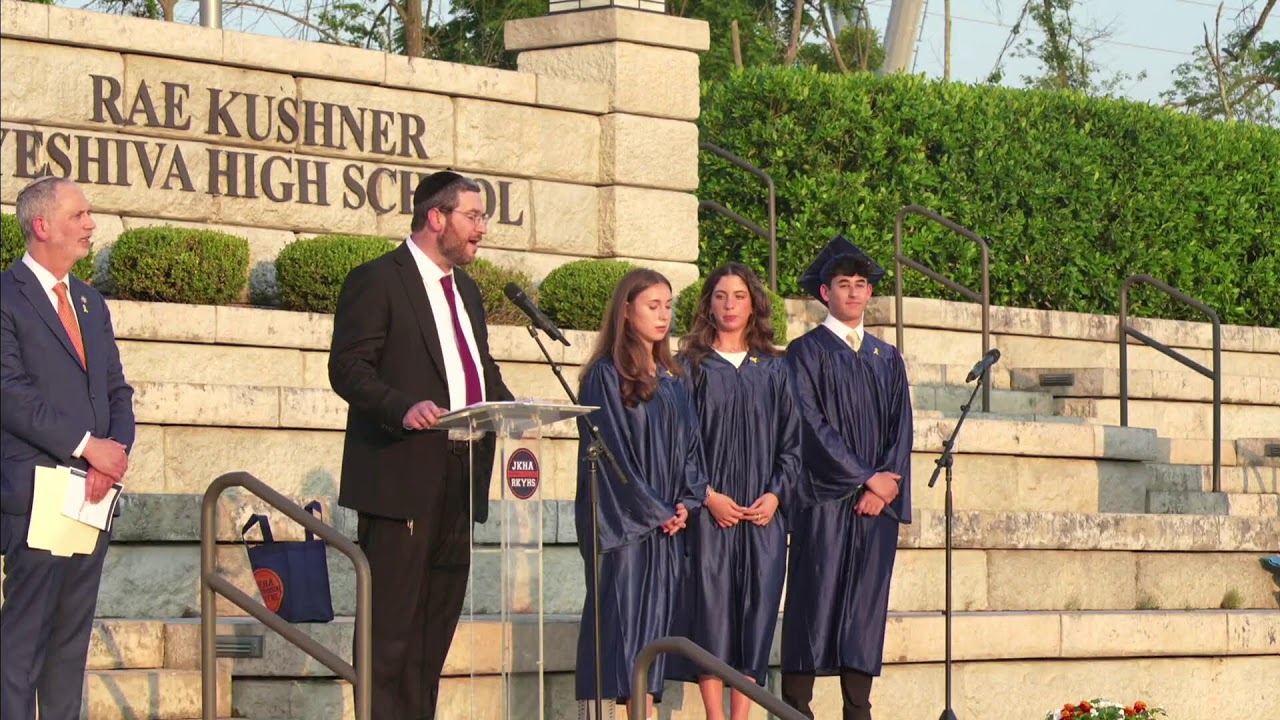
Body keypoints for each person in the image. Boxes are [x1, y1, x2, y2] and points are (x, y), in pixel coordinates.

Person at [328, 170, 513, 720]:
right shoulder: (378, 280)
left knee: (433, 634)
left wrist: (517, 410)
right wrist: (401, 408)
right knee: (390, 636)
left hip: (460, 475)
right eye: (473, 216)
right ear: (437, 217)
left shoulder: (470, 293)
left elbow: (478, 372)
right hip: (401, 475)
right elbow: (348, 369)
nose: (482, 228)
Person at [1, 176, 136, 720]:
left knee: (69, 644)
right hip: (37, 493)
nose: (90, 225)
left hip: (93, 495)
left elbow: (116, 390)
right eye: (79, 215)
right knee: (23, 643)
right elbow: (9, 393)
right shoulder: (6, 296)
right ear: (42, 225)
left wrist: (114, 453)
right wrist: (87, 448)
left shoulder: (89, 301)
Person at [780, 236, 913, 720]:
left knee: (864, 610)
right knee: (811, 605)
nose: (854, 293)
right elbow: (809, 426)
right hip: (824, 502)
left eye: (861, 285)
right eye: (844, 284)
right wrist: (865, 480)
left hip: (875, 507)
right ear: (824, 293)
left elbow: (902, 428)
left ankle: (858, 711)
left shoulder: (886, 357)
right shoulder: (805, 353)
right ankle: (797, 709)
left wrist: (887, 485)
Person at [666, 263, 802, 720]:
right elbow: (680, 442)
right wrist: (706, 495)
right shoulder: (691, 367)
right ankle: (714, 716)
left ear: (753, 304)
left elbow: (792, 443)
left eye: (739, 296)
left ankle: (742, 717)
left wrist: (777, 496)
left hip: (762, 516)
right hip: (712, 513)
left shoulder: (777, 369)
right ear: (708, 304)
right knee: (713, 616)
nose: (729, 305)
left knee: (756, 616)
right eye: (720, 296)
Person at [574, 268, 708, 720]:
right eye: (653, 306)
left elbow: (693, 447)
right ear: (626, 311)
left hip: (667, 530)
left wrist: (685, 505)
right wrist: (654, 511)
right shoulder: (605, 376)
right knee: (629, 638)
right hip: (628, 532)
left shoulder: (674, 375)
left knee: (655, 639)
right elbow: (611, 455)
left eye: (668, 306)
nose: (664, 315)